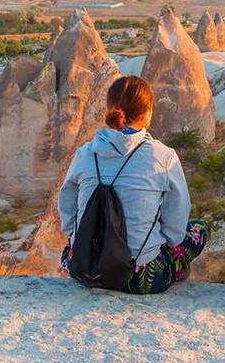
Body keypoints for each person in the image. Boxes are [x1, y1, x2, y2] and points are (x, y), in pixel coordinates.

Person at [57, 76, 206, 294]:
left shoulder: (85, 153)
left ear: (109, 108)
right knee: (199, 229)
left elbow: (67, 206)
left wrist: (78, 236)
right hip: (139, 276)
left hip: (85, 267)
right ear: (148, 113)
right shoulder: (163, 156)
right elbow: (176, 222)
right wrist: (158, 243)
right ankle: (174, 269)